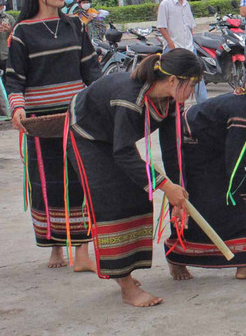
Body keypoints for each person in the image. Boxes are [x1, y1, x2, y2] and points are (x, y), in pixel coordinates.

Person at [67, 50, 201, 307]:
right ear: (173, 80)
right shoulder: (130, 99)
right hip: (86, 135)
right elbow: (124, 152)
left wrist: (177, 190)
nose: (193, 91)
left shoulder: (171, 100)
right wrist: (164, 185)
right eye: (191, 85)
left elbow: (173, 149)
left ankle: (124, 272)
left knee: (138, 197)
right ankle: (126, 285)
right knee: (113, 203)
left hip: (116, 138)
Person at [6, 0, 101, 271]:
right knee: (47, 183)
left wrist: (102, 99)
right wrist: (18, 107)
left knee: (79, 181)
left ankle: (82, 254)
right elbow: (14, 78)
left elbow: (91, 70)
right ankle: (55, 248)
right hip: (40, 123)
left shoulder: (75, 25)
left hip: (75, 117)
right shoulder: (22, 32)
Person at [165, 57, 246, 281]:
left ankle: (245, 264)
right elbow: (236, 168)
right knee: (206, 202)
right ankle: (177, 257)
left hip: (215, 147)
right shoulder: (240, 112)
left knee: (231, 203)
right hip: (190, 148)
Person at [157, 0, 207, 103]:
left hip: (189, 48)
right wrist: (170, 43)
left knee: (198, 81)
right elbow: (162, 27)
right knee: (173, 83)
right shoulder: (165, 4)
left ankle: (204, 106)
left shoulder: (186, 4)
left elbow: (190, 25)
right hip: (174, 50)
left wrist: (191, 40)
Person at [0, 0, 15, 117]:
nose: (0, 8)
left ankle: (11, 110)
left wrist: (9, 30)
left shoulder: (9, 18)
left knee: (9, 83)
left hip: (7, 56)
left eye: (1, 5)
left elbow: (17, 34)